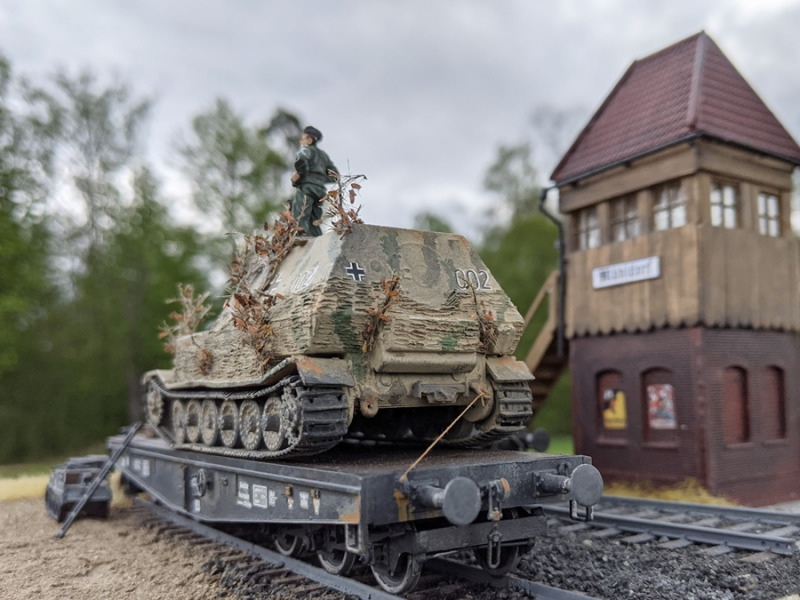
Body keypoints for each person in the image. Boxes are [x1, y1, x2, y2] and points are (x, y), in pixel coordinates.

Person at [290, 126, 338, 237]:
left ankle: (300, 236)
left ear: (310, 140)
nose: (301, 141)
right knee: (314, 219)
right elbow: (335, 175)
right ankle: (317, 239)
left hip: (307, 188)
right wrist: (320, 179)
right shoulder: (324, 156)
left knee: (300, 214)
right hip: (320, 191)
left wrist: (300, 175)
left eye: (303, 138)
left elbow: (301, 159)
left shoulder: (307, 150)